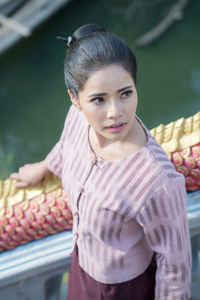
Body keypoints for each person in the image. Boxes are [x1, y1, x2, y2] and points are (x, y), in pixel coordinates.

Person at [10, 24, 191, 300]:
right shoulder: (76, 119)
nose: (116, 113)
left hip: (123, 287)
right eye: (98, 99)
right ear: (75, 100)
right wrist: (45, 166)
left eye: (126, 93)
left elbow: (175, 265)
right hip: (82, 263)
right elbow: (66, 145)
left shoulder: (156, 180)